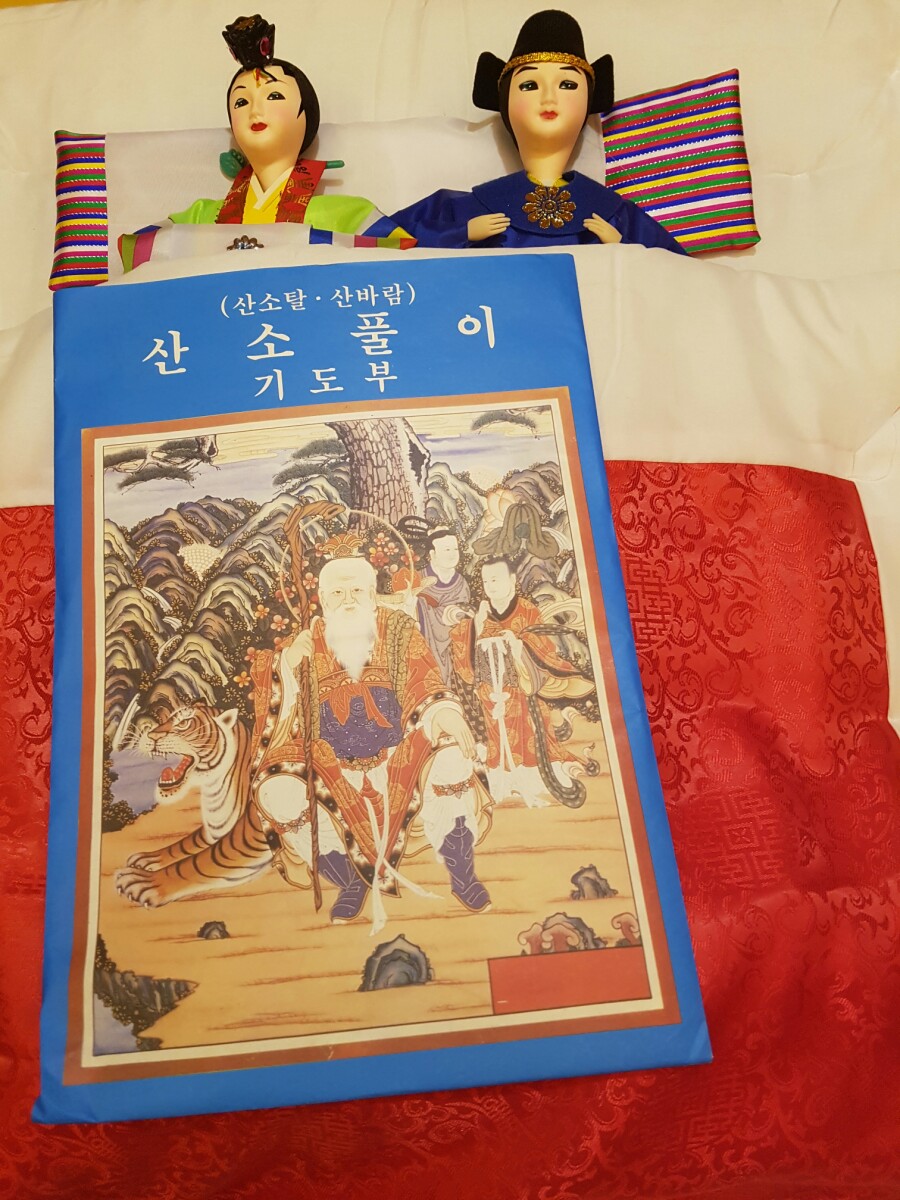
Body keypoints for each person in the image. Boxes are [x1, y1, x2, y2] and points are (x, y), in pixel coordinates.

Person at [250, 552, 492, 925]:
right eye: (337, 593)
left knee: (452, 754)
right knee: (275, 788)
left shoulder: (396, 629)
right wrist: (286, 664)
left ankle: (462, 875)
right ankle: (352, 881)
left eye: (357, 591)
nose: (348, 601)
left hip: (398, 757)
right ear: (322, 598)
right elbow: (278, 705)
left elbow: (423, 678)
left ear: (372, 594)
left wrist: (443, 711)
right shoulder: (308, 641)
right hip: (333, 767)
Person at [391, 9, 685, 254]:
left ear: (590, 101)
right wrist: (459, 233)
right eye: (529, 85)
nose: (548, 98)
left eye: (567, 85)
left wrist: (625, 249)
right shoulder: (468, 208)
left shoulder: (616, 216)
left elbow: (681, 275)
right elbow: (380, 240)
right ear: (504, 101)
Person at [169, 14, 411, 243]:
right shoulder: (202, 216)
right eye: (241, 102)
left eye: (274, 96)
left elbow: (398, 250)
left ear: (307, 114)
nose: (255, 111)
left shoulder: (346, 215)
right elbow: (150, 246)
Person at [450, 557, 583, 806]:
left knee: (528, 730)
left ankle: (530, 778)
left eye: (496, 579)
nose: (491, 586)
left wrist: (518, 644)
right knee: (495, 733)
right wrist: (476, 625)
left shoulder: (527, 610)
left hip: (520, 685)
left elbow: (544, 647)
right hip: (490, 688)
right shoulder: (480, 614)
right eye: (486, 581)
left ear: (512, 580)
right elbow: (463, 652)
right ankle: (501, 779)